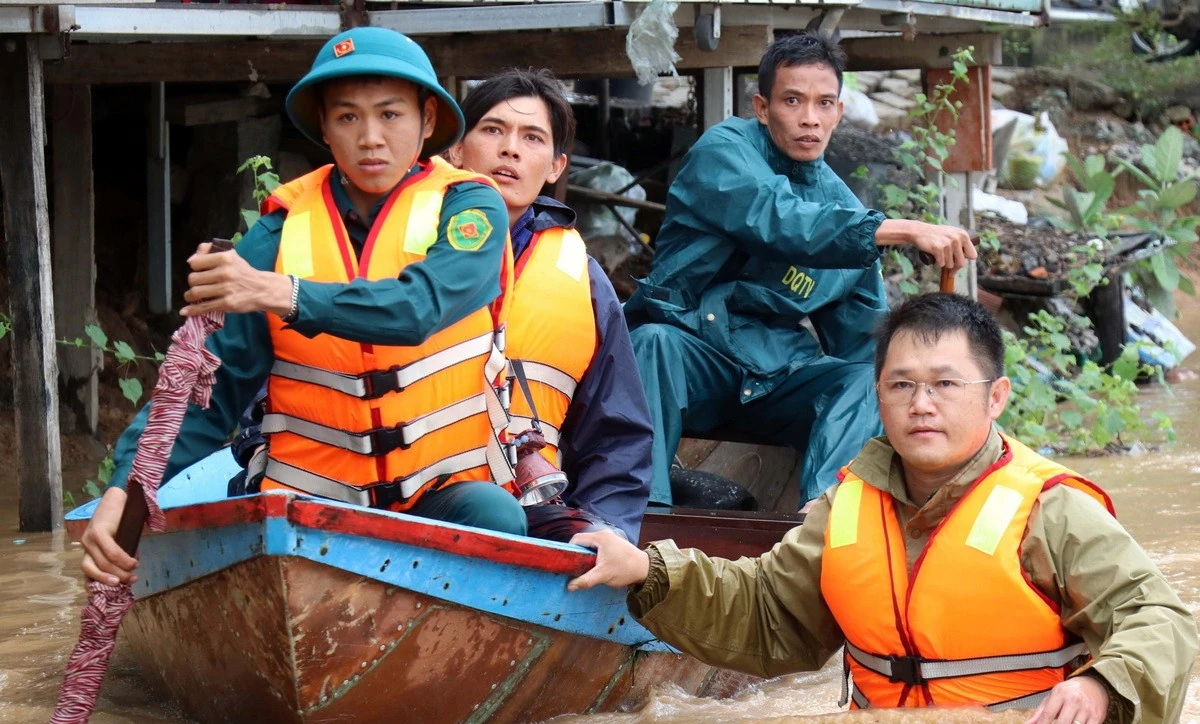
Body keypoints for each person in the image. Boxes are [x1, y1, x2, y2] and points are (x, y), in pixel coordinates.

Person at [569, 293, 1199, 724]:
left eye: (945, 384)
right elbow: (766, 610)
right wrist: (646, 569)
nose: (921, 404)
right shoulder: (845, 506)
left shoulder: (1051, 508)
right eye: (902, 386)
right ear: (878, 395)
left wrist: (1101, 688)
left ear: (996, 396)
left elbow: (1159, 620)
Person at [81, 27, 528, 589]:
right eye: (348, 117)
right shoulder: (274, 236)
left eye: (390, 115)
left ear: (427, 120)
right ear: (324, 126)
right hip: (311, 504)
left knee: (497, 516)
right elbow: (204, 393)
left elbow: (418, 309)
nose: (370, 138)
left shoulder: (470, 208)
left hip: (439, 492)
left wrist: (281, 293)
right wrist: (124, 488)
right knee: (261, 526)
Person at [232, 70, 655, 542]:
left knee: (561, 535)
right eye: (492, 130)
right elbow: (264, 383)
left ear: (556, 166)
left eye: (532, 138)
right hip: (340, 491)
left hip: (517, 508)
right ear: (454, 148)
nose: (510, 149)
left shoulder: (582, 279)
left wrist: (609, 529)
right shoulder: (370, 236)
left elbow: (615, 433)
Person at [624, 31, 978, 510]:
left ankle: (824, 524)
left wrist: (935, 391)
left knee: (865, 382)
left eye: (823, 103)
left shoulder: (847, 212)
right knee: (651, 342)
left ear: (839, 112)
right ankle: (635, 513)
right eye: (792, 100)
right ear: (762, 107)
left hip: (777, 377)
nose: (809, 118)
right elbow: (779, 219)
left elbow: (864, 345)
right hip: (691, 356)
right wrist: (904, 229)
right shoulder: (723, 153)